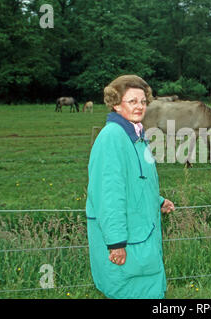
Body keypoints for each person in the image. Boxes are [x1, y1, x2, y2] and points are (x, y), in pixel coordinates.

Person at [86, 74, 175, 299]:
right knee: (127, 289)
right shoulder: (112, 138)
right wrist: (115, 242)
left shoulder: (137, 135)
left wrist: (158, 200)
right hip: (126, 239)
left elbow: (138, 181)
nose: (140, 106)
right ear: (116, 104)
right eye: (132, 101)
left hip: (141, 233)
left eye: (143, 101)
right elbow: (108, 194)